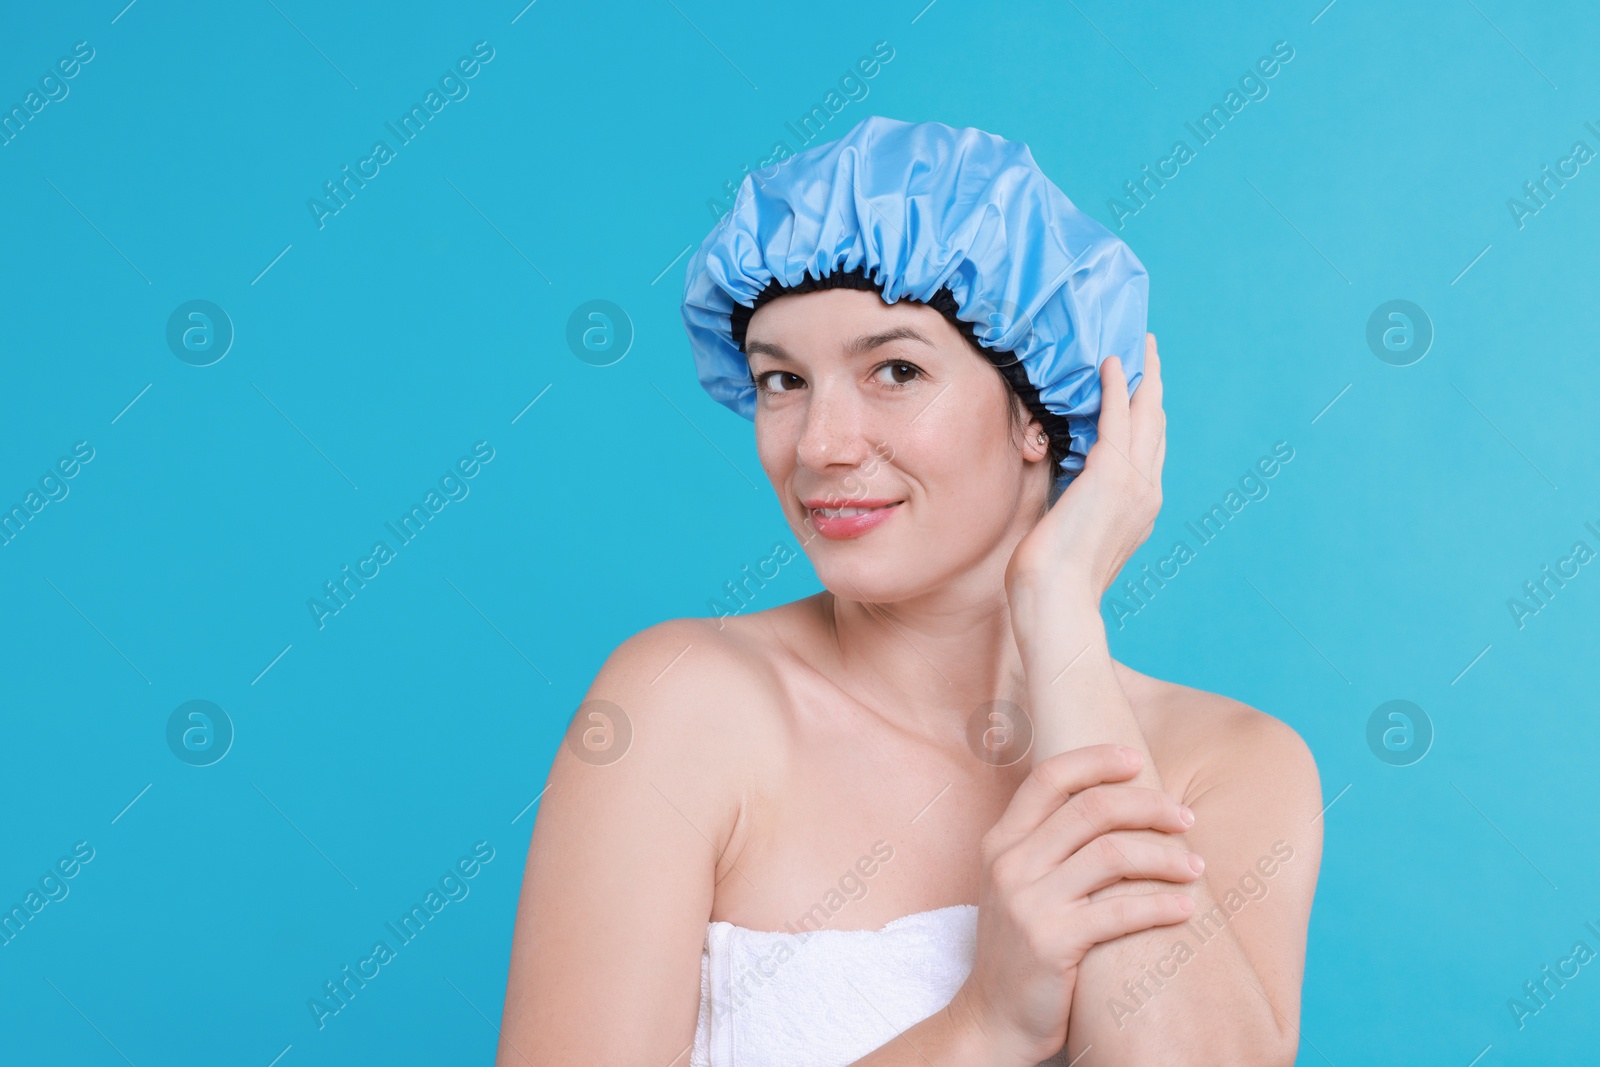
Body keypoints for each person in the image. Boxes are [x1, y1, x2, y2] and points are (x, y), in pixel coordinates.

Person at [497, 116, 1322, 1066]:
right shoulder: (683, 705)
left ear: (1038, 414)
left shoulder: (1228, 766)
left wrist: (1057, 605)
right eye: (782, 379)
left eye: (895, 370)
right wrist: (983, 1026)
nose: (817, 445)